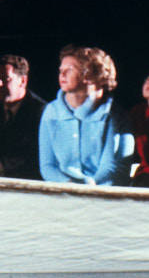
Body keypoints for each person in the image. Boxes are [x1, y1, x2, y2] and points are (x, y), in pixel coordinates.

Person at [38, 45, 131, 185]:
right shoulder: (51, 112)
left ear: (89, 76)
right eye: (61, 70)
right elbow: (47, 166)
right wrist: (69, 185)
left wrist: (88, 190)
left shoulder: (115, 115)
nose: (62, 75)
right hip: (62, 193)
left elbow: (113, 169)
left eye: (69, 70)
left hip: (104, 196)